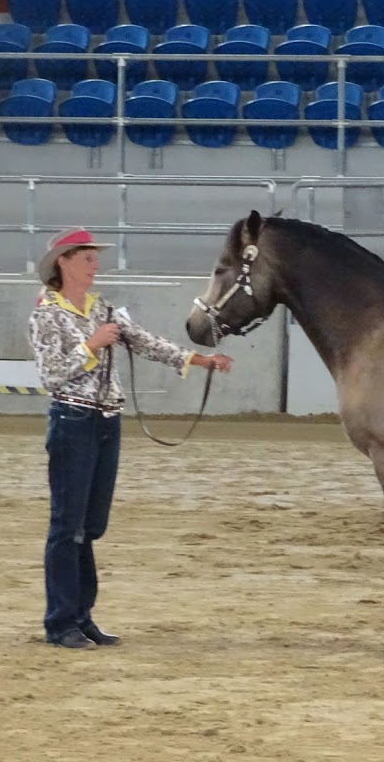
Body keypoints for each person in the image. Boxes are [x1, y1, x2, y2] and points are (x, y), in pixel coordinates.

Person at [28, 227, 233, 649]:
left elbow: (144, 342)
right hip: (73, 418)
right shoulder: (47, 313)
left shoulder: (101, 308)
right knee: (68, 526)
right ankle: (61, 621)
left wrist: (197, 359)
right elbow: (51, 374)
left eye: (94, 258)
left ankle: (81, 616)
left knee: (90, 525)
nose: (95, 264)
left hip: (105, 421)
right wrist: (91, 345)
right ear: (63, 262)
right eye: (87, 258)